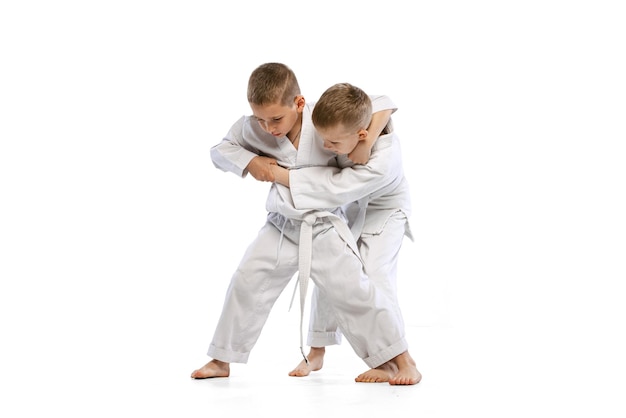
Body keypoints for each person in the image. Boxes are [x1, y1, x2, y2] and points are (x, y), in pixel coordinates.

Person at [190, 63, 419, 385]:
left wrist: (287, 175)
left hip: (324, 224)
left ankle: (402, 360)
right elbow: (220, 150)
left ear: (299, 104)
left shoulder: (324, 119)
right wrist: (250, 161)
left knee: (357, 290)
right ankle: (221, 358)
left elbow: (376, 104)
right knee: (246, 280)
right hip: (281, 223)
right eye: (261, 119)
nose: (268, 128)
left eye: (276, 119)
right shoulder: (251, 128)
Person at [270, 82, 421, 385]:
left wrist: (277, 174)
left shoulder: (383, 161)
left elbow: (333, 188)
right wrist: (364, 142)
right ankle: (317, 351)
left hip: (386, 213)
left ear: (360, 133)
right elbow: (381, 100)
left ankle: (398, 361)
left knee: (375, 277)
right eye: (323, 139)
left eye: (334, 144)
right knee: (333, 272)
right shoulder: (349, 127)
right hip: (354, 210)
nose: (326, 148)